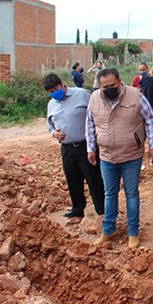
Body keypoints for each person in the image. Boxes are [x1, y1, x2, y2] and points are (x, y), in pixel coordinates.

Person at [86, 68, 153, 248]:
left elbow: (150, 119)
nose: (109, 88)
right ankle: (108, 229)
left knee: (131, 193)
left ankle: (133, 232)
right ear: (99, 86)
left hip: (131, 155)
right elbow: (89, 123)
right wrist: (90, 148)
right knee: (109, 194)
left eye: (112, 85)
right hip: (107, 156)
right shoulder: (94, 98)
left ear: (119, 82)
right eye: (105, 86)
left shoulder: (135, 96)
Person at [44, 73, 105, 224]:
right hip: (67, 148)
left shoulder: (82, 94)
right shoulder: (51, 104)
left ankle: (102, 210)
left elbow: (98, 113)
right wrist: (54, 133)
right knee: (72, 179)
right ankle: (78, 209)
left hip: (86, 146)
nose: (54, 93)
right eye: (51, 91)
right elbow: (50, 126)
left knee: (94, 178)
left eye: (56, 89)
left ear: (62, 84)